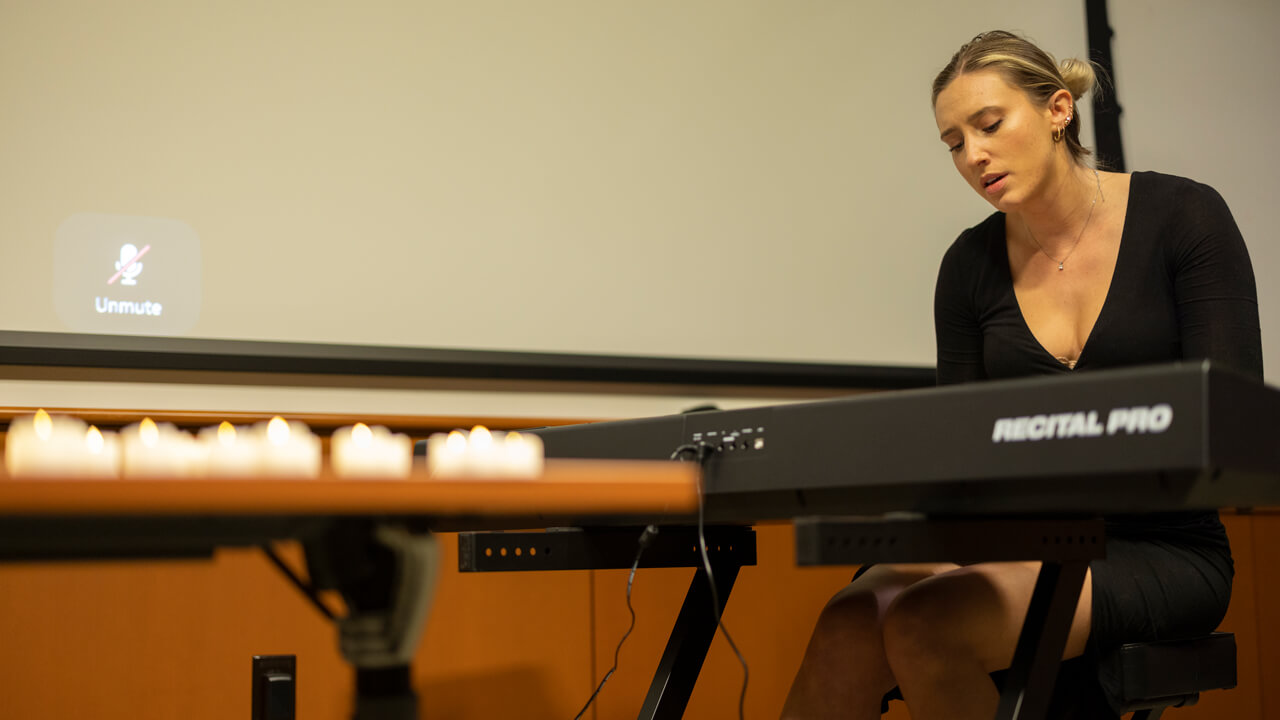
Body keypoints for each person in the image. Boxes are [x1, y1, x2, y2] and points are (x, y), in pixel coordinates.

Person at [779, 30, 1262, 720]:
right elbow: (966, 450)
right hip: (1012, 540)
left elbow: (1233, 420)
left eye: (989, 124)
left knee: (927, 624)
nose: (972, 155)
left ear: (1059, 110)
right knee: (848, 622)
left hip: (1159, 545)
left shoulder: (1186, 219)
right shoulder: (968, 267)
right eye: (953, 143)